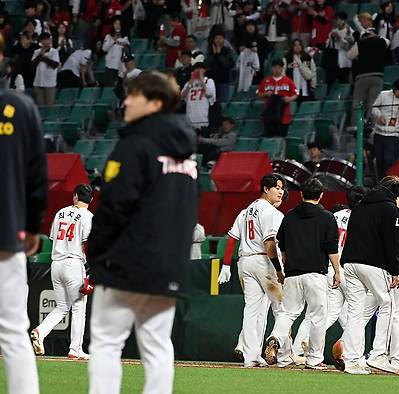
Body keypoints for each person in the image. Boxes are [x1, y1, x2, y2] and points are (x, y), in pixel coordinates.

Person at [87, 71, 198, 394]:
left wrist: (97, 253)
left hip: (127, 262)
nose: (126, 101)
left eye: (134, 95)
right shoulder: (187, 155)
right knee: (158, 346)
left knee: (107, 343)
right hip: (170, 266)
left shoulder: (134, 146)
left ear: (154, 102)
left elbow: (113, 208)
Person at [0, 32, 46, 394]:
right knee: (14, 333)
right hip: (6, 237)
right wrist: (30, 229)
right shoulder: (20, 107)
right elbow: (37, 180)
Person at [264, 178, 340, 369]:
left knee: (288, 313)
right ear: (321, 195)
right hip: (315, 273)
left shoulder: (289, 216)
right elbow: (331, 249)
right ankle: (314, 359)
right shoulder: (327, 217)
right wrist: (337, 271)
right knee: (317, 317)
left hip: (292, 273)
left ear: (301, 194)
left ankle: (276, 339)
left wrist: (283, 268)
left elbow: (281, 245)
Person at [290, 186, 369, 369]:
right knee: (356, 314)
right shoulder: (363, 217)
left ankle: (300, 347)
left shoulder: (336, 215)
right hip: (350, 270)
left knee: (324, 314)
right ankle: (354, 355)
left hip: (330, 269)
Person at [340, 176, 399, 375]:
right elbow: (392, 243)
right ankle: (378, 355)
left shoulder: (360, 206)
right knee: (388, 304)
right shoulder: (390, 209)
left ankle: (352, 359)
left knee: (355, 312)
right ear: (397, 195)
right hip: (373, 264)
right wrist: (396, 271)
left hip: (350, 263)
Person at [218, 174, 286, 367]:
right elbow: (270, 243)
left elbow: (232, 237)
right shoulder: (271, 212)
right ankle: (284, 354)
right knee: (283, 308)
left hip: (245, 262)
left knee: (251, 310)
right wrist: (279, 269)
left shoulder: (246, 211)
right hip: (264, 262)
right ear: (266, 189)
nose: (281, 191)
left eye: (282, 188)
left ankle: (251, 356)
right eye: (277, 187)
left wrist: (226, 264)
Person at [30, 184, 94, 360]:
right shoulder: (88, 217)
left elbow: (52, 239)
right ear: (91, 199)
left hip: (56, 264)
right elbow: (89, 244)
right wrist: (88, 272)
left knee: (62, 307)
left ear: (75, 196)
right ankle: (75, 349)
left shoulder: (61, 213)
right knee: (79, 307)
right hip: (74, 264)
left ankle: (40, 331)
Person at [348, 27, 388, 128]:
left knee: (358, 101)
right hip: (377, 76)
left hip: (362, 76)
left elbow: (350, 55)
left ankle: (356, 125)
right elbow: (388, 42)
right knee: (374, 103)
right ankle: (373, 125)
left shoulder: (360, 43)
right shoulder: (380, 41)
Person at [257, 59, 298, 137]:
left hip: (284, 114)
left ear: (282, 69)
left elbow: (295, 94)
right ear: (272, 68)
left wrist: (289, 99)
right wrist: (265, 94)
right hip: (269, 114)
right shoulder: (266, 80)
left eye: (279, 68)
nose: (277, 70)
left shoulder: (288, 80)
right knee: (269, 136)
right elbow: (258, 93)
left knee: (281, 136)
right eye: (275, 67)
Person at [181, 62, 216, 132]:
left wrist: (201, 80)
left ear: (204, 70)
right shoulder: (188, 83)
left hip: (203, 117)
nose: (198, 70)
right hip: (190, 117)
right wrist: (190, 83)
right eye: (196, 69)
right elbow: (182, 97)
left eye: (200, 68)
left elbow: (209, 94)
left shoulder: (208, 81)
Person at [324, 11, 354, 88]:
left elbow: (349, 47)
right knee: (329, 81)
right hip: (334, 60)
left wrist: (339, 38)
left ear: (344, 20)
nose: (338, 22)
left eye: (340, 19)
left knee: (343, 82)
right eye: (336, 19)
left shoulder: (349, 31)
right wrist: (332, 38)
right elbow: (327, 45)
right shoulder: (333, 31)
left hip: (345, 61)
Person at [31, 32, 60, 106]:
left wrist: (44, 57)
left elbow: (54, 65)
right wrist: (40, 55)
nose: (46, 42)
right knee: (40, 106)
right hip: (38, 82)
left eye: (47, 40)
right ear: (40, 41)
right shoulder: (36, 52)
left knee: (49, 106)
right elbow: (32, 65)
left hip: (50, 83)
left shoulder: (54, 52)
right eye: (44, 40)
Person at [207, 31, 235, 103]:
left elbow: (227, 65)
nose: (218, 40)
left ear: (224, 39)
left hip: (224, 81)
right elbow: (207, 64)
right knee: (211, 103)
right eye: (216, 38)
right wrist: (214, 54)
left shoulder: (228, 51)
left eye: (220, 38)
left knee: (223, 103)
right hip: (211, 81)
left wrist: (219, 54)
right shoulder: (209, 51)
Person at [101, 17, 129, 87]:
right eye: (116, 23)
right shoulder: (108, 37)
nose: (117, 26)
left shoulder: (125, 39)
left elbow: (128, 53)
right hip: (110, 66)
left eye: (119, 24)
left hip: (120, 67)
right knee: (109, 87)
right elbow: (104, 49)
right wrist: (113, 40)